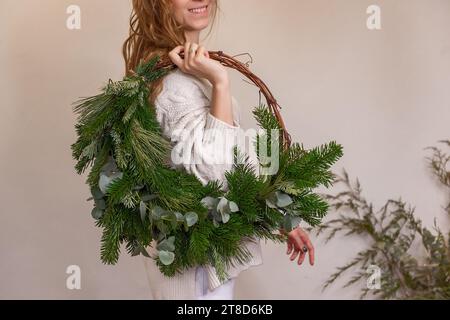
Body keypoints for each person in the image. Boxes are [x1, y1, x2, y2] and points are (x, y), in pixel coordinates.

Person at [122, 0, 315, 300]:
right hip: (196, 273)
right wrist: (221, 82)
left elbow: (232, 151)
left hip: (204, 266)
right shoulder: (174, 86)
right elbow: (216, 173)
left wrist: (276, 214)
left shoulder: (188, 73)